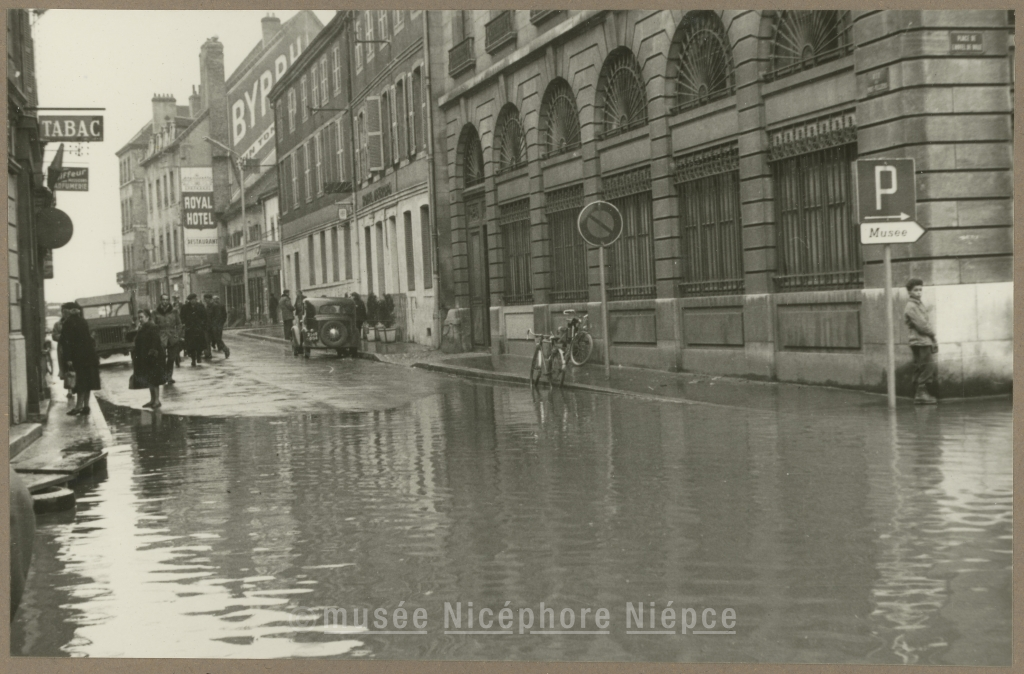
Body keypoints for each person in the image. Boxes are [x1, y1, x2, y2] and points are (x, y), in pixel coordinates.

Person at [58, 302, 101, 415]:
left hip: (78, 357)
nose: (62, 313)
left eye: (63, 311)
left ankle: (78, 407)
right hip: (89, 356)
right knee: (87, 382)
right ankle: (86, 406)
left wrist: (68, 359)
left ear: (67, 311)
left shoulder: (68, 323)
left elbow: (65, 342)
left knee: (80, 383)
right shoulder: (83, 321)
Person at [904, 278, 938, 404]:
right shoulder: (912, 306)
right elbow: (922, 325)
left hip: (921, 340)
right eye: (915, 290)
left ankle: (920, 393)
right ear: (909, 292)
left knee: (921, 365)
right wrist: (933, 334)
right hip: (920, 340)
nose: (919, 292)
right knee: (928, 366)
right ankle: (921, 394)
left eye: (920, 290)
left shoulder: (917, 304)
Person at [132, 309, 165, 409]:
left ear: (147, 317)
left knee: (154, 379)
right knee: (149, 379)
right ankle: (152, 400)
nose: (140, 319)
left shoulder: (152, 327)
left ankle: (157, 400)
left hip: (153, 357)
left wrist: (152, 354)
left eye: (141, 317)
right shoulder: (143, 327)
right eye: (139, 317)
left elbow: (155, 342)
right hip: (145, 356)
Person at [153, 294, 181, 384]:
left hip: (172, 337)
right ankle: (164, 376)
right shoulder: (155, 312)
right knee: (161, 358)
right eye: (163, 300)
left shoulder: (174, 311)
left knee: (171, 358)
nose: (165, 301)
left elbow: (179, 324)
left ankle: (169, 376)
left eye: (166, 300)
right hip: (161, 338)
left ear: (168, 300)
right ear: (160, 301)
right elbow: (152, 326)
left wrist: (177, 335)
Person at [179, 293, 209, 366]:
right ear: (190, 300)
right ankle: (193, 359)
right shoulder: (185, 307)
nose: (194, 301)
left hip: (199, 328)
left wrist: (203, 324)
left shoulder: (200, 306)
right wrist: (184, 323)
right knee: (191, 345)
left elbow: (205, 316)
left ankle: (198, 356)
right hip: (190, 329)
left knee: (199, 344)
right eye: (192, 300)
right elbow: (181, 316)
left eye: (195, 299)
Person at [52, 304, 74, 400]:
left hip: (73, 348)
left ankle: (74, 388)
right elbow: (54, 335)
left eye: (67, 312)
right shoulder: (58, 324)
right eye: (63, 312)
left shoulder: (73, 323)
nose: (65, 314)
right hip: (62, 349)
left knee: (74, 368)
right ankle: (69, 390)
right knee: (66, 369)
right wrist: (62, 337)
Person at [202, 293, 216, 360]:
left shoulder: (214, 306)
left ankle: (226, 350)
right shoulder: (207, 306)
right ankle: (207, 354)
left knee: (217, 340)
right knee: (206, 340)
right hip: (207, 326)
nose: (205, 300)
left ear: (209, 299)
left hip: (213, 326)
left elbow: (216, 317)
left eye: (206, 299)